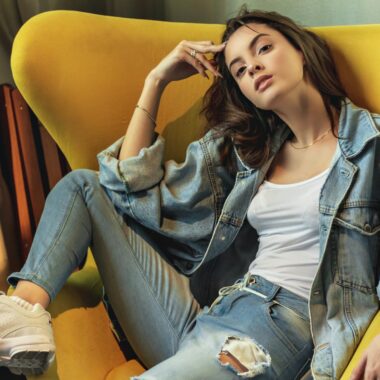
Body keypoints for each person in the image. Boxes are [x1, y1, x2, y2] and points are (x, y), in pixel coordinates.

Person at [0, 7, 379, 379]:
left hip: (278, 324)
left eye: (264, 49)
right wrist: (156, 81)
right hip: (205, 312)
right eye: (240, 69)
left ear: (300, 49)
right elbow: (126, 187)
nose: (254, 68)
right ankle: (24, 312)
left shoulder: (371, 143)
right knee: (84, 186)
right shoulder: (247, 152)